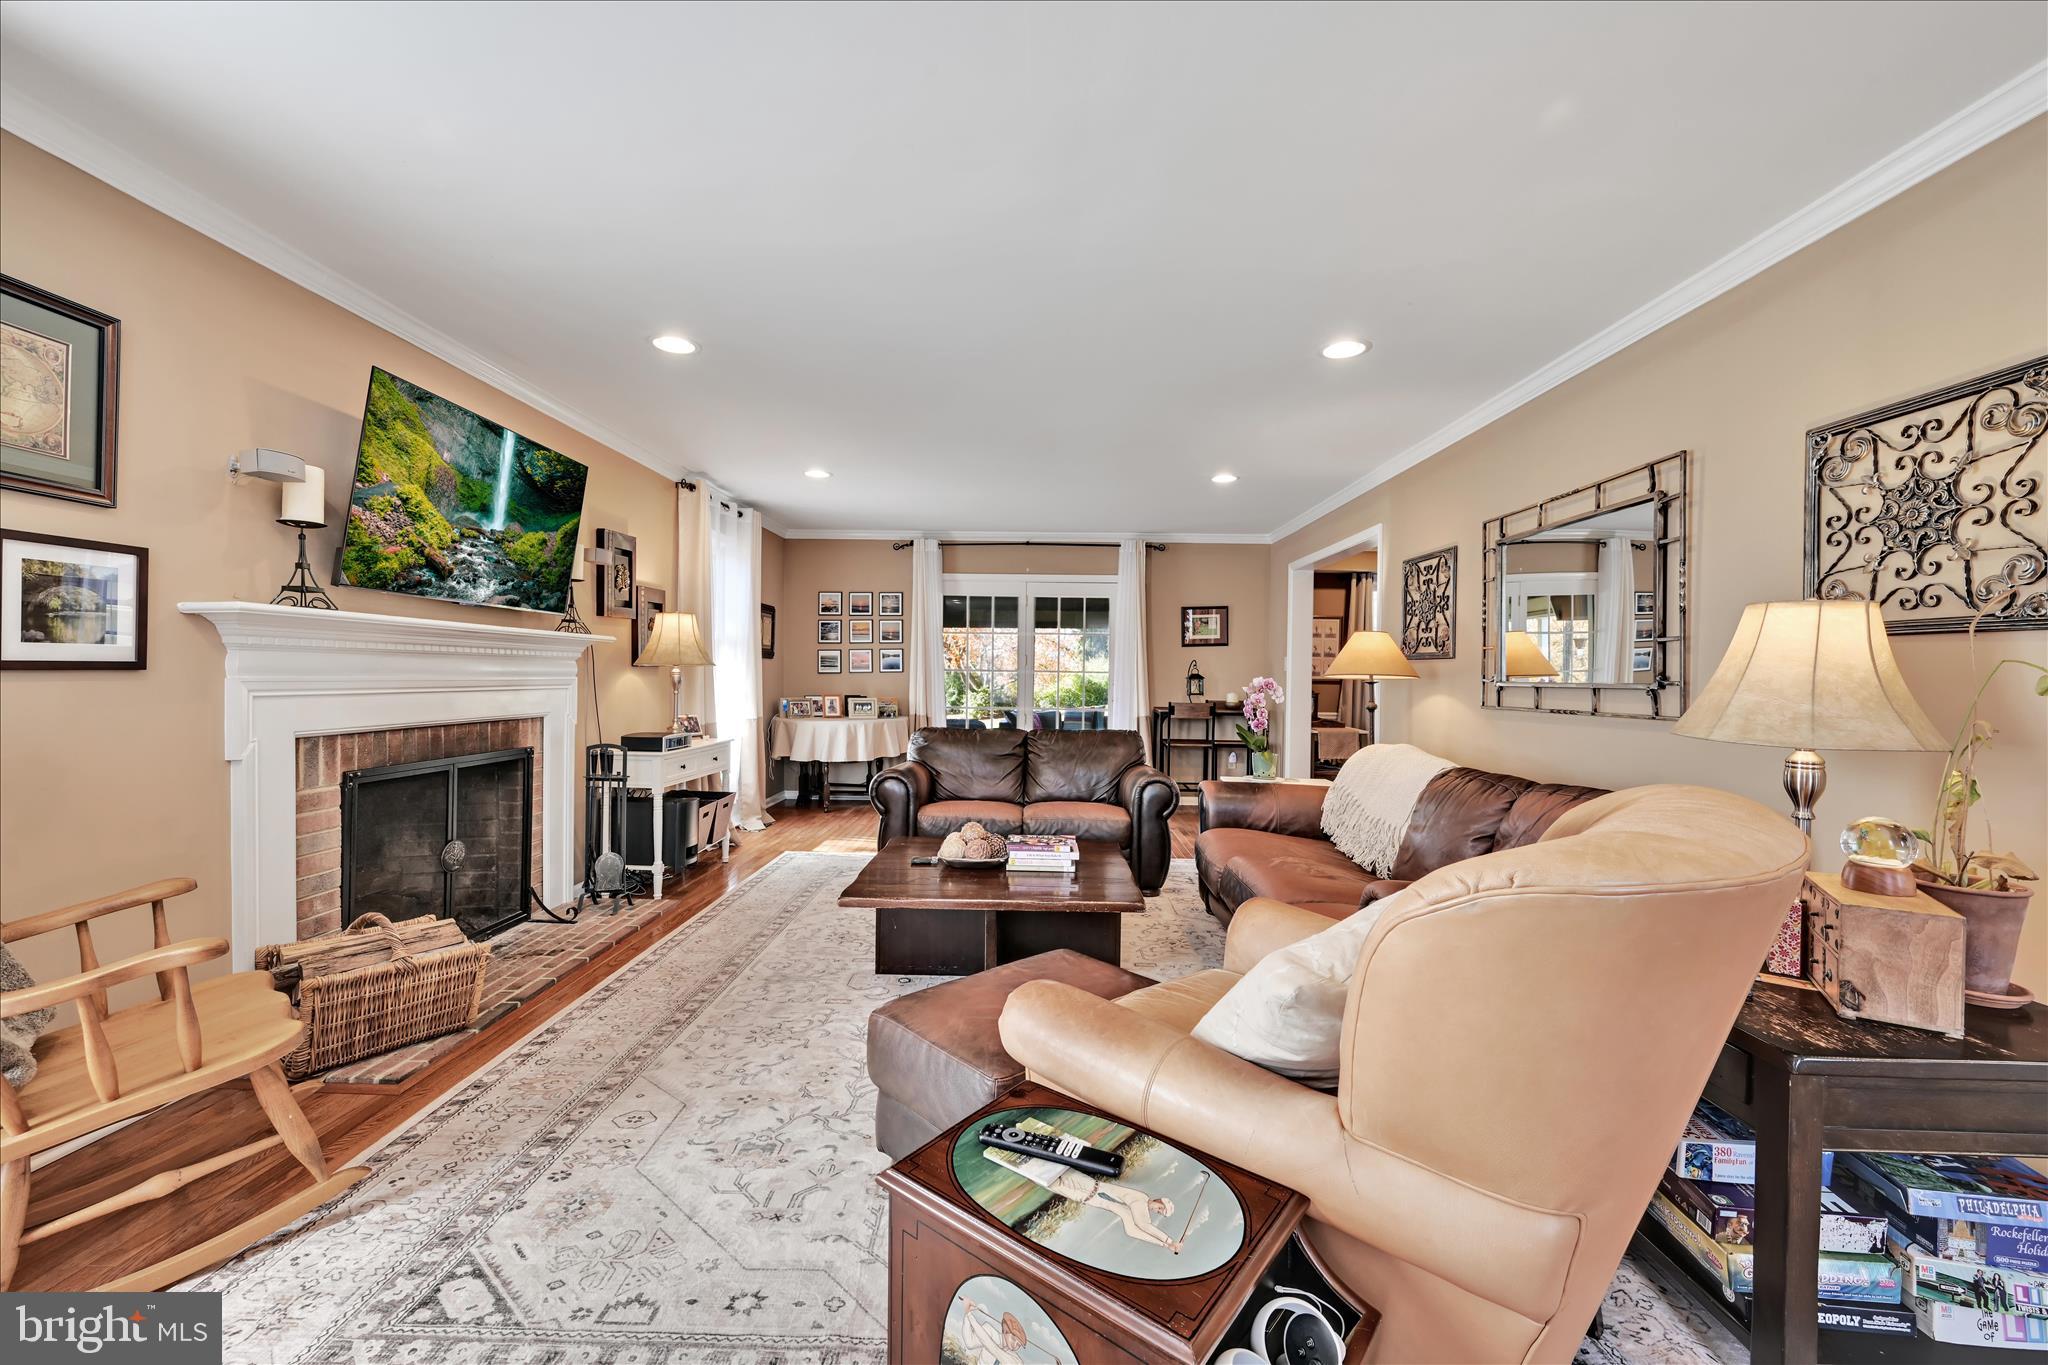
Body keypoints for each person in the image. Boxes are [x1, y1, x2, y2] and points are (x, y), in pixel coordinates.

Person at [982, 1142, 1184, 1253]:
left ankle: (1010, 1157)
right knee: (1051, 1168)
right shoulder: (1139, 1201)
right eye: (1160, 1208)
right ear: (1159, 1200)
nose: (1156, 1211)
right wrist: (1168, 1240)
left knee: (1042, 1178)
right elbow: (1144, 1225)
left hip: (1083, 1196)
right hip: (1087, 1186)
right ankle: (1017, 1149)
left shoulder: (1128, 1210)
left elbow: (1133, 1231)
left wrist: (1165, 1245)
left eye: (1160, 1212)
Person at [957, 1299, 1029, 1365]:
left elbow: (992, 1347)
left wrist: (970, 1316)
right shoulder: (989, 1331)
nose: (1015, 1345)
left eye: (1019, 1345)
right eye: (1013, 1339)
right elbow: (970, 1343)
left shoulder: (1017, 1361)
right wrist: (967, 1315)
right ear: (1005, 1330)